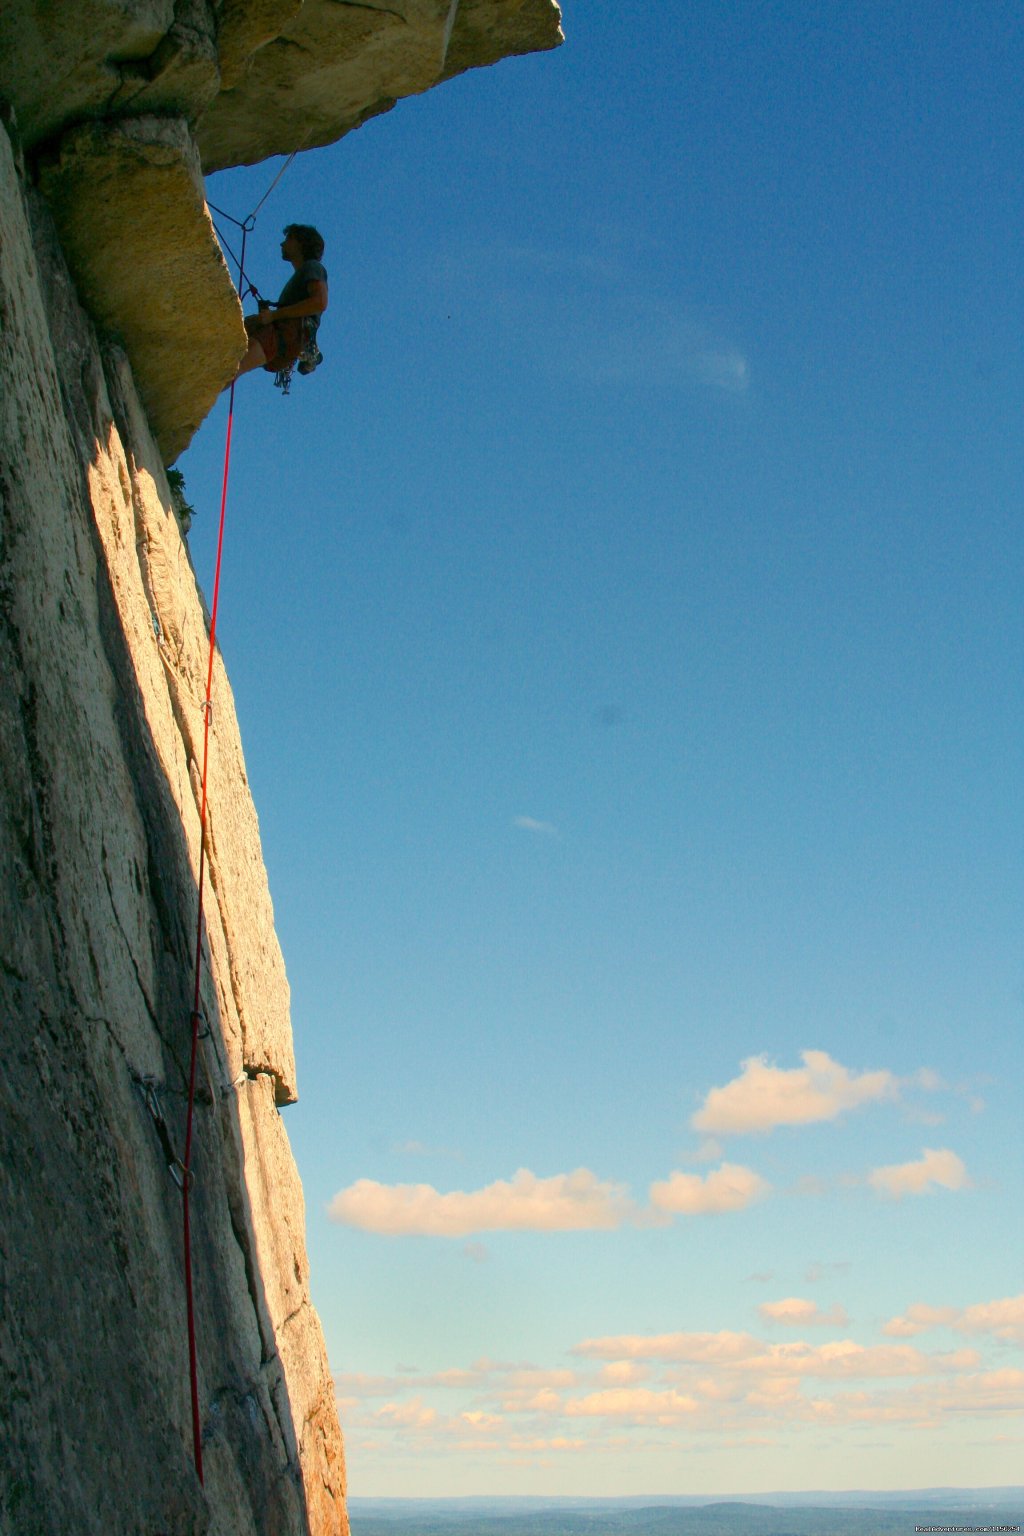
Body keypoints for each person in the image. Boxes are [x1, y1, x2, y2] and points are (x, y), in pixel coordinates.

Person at [234, 223, 328, 388]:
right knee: (234, 362)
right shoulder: (302, 273)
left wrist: (274, 316)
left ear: (300, 243)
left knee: (235, 366)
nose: (282, 244)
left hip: (288, 333)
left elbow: (319, 302)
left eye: (288, 239)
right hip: (286, 335)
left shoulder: (312, 267)